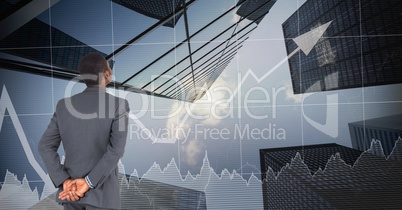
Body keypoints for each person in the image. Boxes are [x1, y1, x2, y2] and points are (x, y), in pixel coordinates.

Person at [38, 52, 130, 210]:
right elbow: (116, 150)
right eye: (109, 68)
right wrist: (88, 182)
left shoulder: (63, 105)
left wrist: (64, 181)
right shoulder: (119, 105)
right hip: (103, 198)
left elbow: (44, 146)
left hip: (71, 195)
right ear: (107, 74)